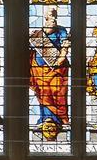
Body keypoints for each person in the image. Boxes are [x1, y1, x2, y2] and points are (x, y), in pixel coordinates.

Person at [28, 11, 70, 140]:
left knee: (58, 93)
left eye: (55, 16)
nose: (53, 19)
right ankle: (46, 118)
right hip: (39, 69)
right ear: (45, 19)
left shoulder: (61, 30)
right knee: (43, 93)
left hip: (57, 69)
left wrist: (61, 57)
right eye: (50, 16)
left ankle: (58, 118)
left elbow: (65, 45)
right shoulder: (37, 33)